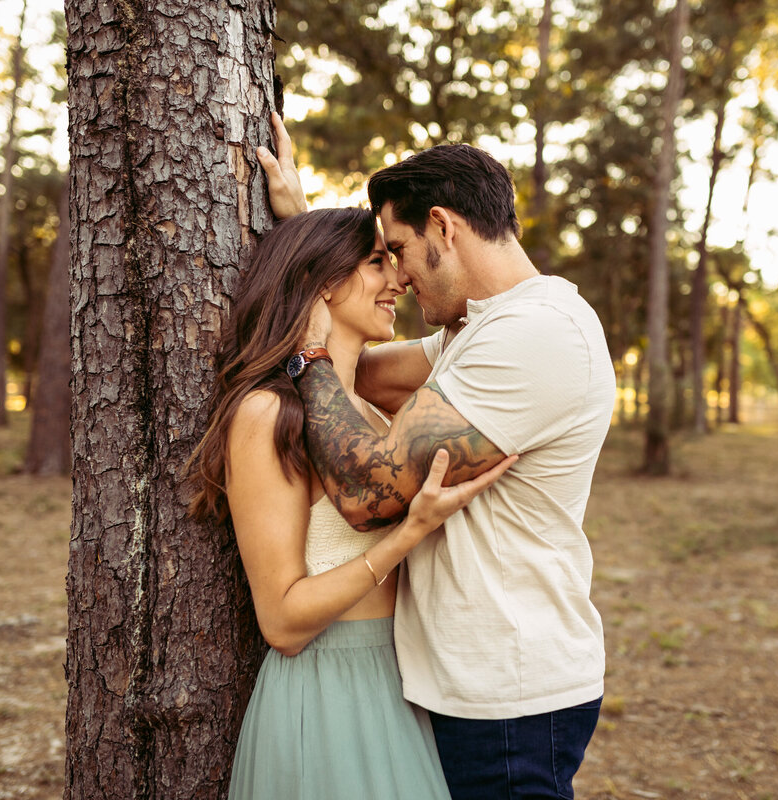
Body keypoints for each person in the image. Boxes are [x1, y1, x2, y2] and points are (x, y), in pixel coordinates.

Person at [258, 113, 617, 799]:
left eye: (396, 247)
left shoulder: (534, 334)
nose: (396, 275)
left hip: (508, 697)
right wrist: (310, 254)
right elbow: (358, 368)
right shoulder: (477, 332)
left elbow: (367, 490)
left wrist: (304, 352)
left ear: (444, 228)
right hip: (468, 684)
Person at [185, 205, 516, 799]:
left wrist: (300, 213)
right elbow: (283, 622)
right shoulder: (268, 414)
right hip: (328, 695)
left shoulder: (372, 417)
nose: (398, 281)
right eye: (375, 263)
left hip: (399, 686)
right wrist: (407, 534)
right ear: (322, 284)